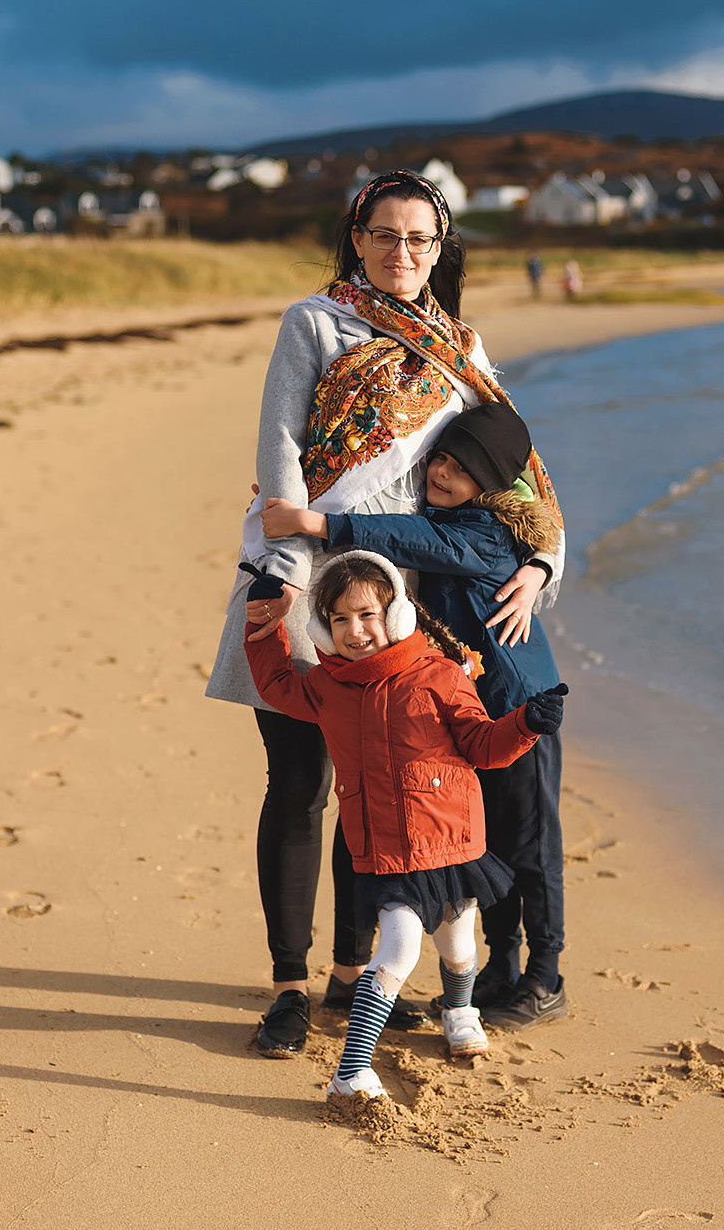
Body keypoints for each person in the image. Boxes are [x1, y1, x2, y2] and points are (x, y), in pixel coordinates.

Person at [205, 170, 567, 1060]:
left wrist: (543, 561)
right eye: (386, 235)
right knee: (299, 786)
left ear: (442, 249)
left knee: (375, 787)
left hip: (402, 600)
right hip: (305, 573)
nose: (403, 253)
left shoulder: (459, 344)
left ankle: (349, 971)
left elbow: (519, 468)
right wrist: (285, 578)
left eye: (421, 239)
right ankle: (290, 986)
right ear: (356, 235)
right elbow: (281, 450)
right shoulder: (315, 322)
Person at [260, 400, 570, 1029]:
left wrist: (320, 524)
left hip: (520, 708)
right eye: (443, 458)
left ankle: (546, 977)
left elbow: (414, 541)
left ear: (491, 485)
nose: (444, 473)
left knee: (533, 846)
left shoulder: (486, 531)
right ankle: (499, 967)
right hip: (470, 713)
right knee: (488, 847)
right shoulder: (448, 509)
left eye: (463, 469)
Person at [243, 551, 566, 1097]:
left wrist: (526, 724)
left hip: (453, 844)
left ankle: (459, 1011)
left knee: (459, 947)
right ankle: (351, 1071)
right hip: (387, 852)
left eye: (367, 615)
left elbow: (484, 746)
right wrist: (264, 624)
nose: (355, 631)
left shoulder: (439, 675)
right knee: (398, 951)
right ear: (322, 626)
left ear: (394, 614)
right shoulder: (327, 686)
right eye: (339, 619)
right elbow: (276, 684)